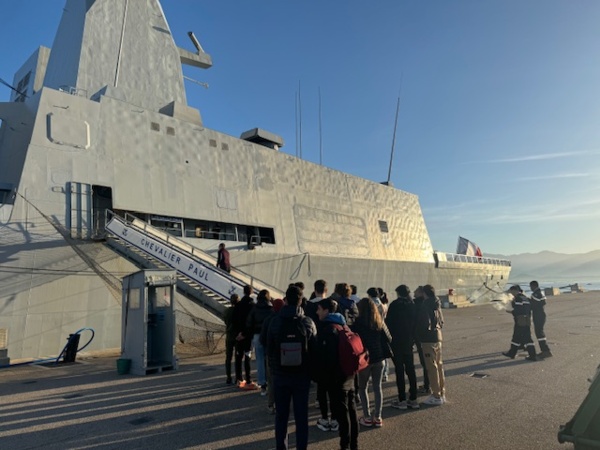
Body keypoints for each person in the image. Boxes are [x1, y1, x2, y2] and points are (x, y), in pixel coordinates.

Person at [267, 285, 318, 450]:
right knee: (301, 416)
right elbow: (314, 349)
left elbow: (269, 349)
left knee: (281, 417)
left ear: (285, 300)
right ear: (301, 301)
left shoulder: (275, 322)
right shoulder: (307, 322)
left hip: (280, 376)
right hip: (301, 377)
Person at [315, 297, 359, 450]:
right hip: (350, 374)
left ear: (326, 311)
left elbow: (326, 358)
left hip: (336, 378)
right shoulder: (344, 326)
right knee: (352, 412)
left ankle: (344, 445)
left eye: (319, 309)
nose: (317, 312)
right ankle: (353, 444)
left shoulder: (328, 330)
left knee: (342, 414)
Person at [353, 297, 392, 428]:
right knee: (377, 387)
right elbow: (389, 338)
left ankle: (367, 416)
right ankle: (378, 416)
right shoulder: (379, 322)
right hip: (379, 358)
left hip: (365, 359)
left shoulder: (357, 323)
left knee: (363, 388)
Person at [385, 285, 419, 410]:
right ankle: (414, 398)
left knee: (399, 370)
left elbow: (388, 323)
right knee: (411, 370)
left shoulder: (394, 305)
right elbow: (416, 323)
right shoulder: (412, 305)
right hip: (408, 341)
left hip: (396, 342)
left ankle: (402, 399)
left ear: (398, 293)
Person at [416, 284, 446, 406]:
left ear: (425, 293)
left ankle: (436, 395)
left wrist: (419, 335)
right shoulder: (437, 304)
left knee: (431, 367)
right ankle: (441, 392)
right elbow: (442, 321)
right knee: (439, 366)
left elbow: (425, 323)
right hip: (438, 337)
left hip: (428, 339)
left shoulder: (426, 305)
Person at [260, 298, 285, 414]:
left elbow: (262, 338)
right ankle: (283, 404)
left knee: (271, 381)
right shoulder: (286, 319)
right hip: (285, 355)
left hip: (271, 355)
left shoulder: (268, 320)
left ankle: (271, 404)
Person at [247, 289, 273, 395]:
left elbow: (249, 322)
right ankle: (271, 382)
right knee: (269, 360)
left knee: (259, 360)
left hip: (257, 335)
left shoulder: (255, 308)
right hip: (268, 335)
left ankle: (262, 385)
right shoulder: (271, 309)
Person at [502, 285, 537, 361]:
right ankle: (512, 353)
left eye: (511, 292)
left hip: (520, 320)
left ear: (515, 291)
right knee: (518, 337)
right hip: (527, 319)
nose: (511, 294)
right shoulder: (526, 298)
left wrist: (510, 311)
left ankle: (532, 355)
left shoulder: (518, 299)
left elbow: (518, 310)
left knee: (525, 338)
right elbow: (529, 309)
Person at [233, 285, 257, 389]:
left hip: (239, 335)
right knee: (247, 357)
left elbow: (234, 321)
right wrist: (246, 334)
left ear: (243, 292)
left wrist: (238, 334)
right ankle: (248, 379)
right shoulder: (253, 305)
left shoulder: (238, 305)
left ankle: (239, 379)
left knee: (238, 357)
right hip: (248, 336)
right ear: (251, 293)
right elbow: (253, 322)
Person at [413, 286, 431, 394]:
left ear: (421, 293)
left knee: (425, 362)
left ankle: (427, 386)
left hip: (421, 338)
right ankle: (428, 384)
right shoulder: (428, 304)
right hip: (428, 337)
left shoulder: (418, 305)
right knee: (427, 363)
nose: (414, 292)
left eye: (416, 291)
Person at [529, 280, 552, 358]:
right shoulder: (541, 292)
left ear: (533, 286)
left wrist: (528, 300)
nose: (530, 288)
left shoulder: (536, 294)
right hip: (541, 314)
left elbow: (533, 305)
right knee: (540, 332)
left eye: (531, 286)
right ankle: (545, 350)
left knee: (539, 333)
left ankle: (546, 351)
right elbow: (542, 302)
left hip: (538, 315)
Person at [223, 293, 239, 384]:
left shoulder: (226, 311)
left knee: (228, 357)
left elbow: (225, 321)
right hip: (237, 336)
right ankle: (238, 376)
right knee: (238, 357)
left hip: (229, 336)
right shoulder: (239, 311)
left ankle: (228, 377)